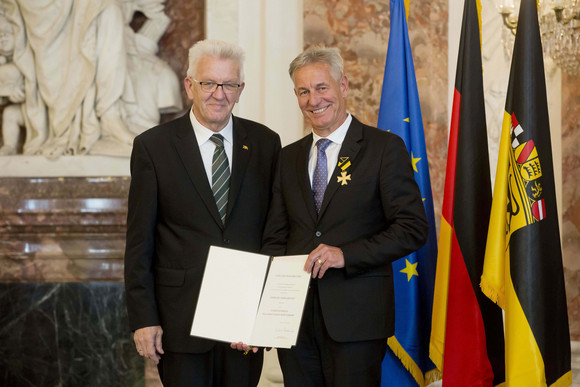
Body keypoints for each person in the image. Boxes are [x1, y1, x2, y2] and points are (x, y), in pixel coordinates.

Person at [260, 46, 428, 386]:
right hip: (293, 323)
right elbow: (275, 238)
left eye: (322, 88)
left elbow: (412, 228)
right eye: (303, 91)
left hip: (357, 322)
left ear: (343, 86)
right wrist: (263, 312)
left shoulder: (383, 148)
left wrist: (345, 254)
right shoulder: (288, 158)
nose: (313, 99)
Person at [124, 39, 281, 387]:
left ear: (241, 90)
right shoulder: (153, 147)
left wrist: (265, 313)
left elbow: (274, 232)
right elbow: (139, 243)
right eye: (209, 83)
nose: (218, 94)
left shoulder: (266, 144)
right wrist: (143, 318)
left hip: (244, 326)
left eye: (229, 84)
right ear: (189, 85)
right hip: (180, 322)